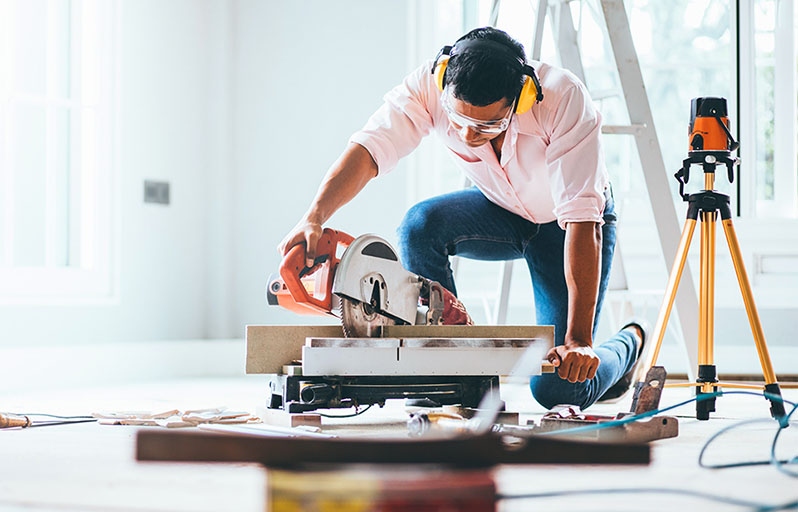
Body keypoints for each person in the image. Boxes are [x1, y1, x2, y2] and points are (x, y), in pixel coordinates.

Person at [278, 27, 647, 410]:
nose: (469, 134)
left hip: (566, 227)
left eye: (487, 126)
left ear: (519, 100)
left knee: (561, 388)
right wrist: (314, 216)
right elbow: (371, 147)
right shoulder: (428, 84)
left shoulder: (564, 99)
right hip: (500, 211)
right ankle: (446, 371)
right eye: (458, 120)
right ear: (444, 83)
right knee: (419, 226)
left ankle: (630, 340)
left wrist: (579, 341)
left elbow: (582, 220)